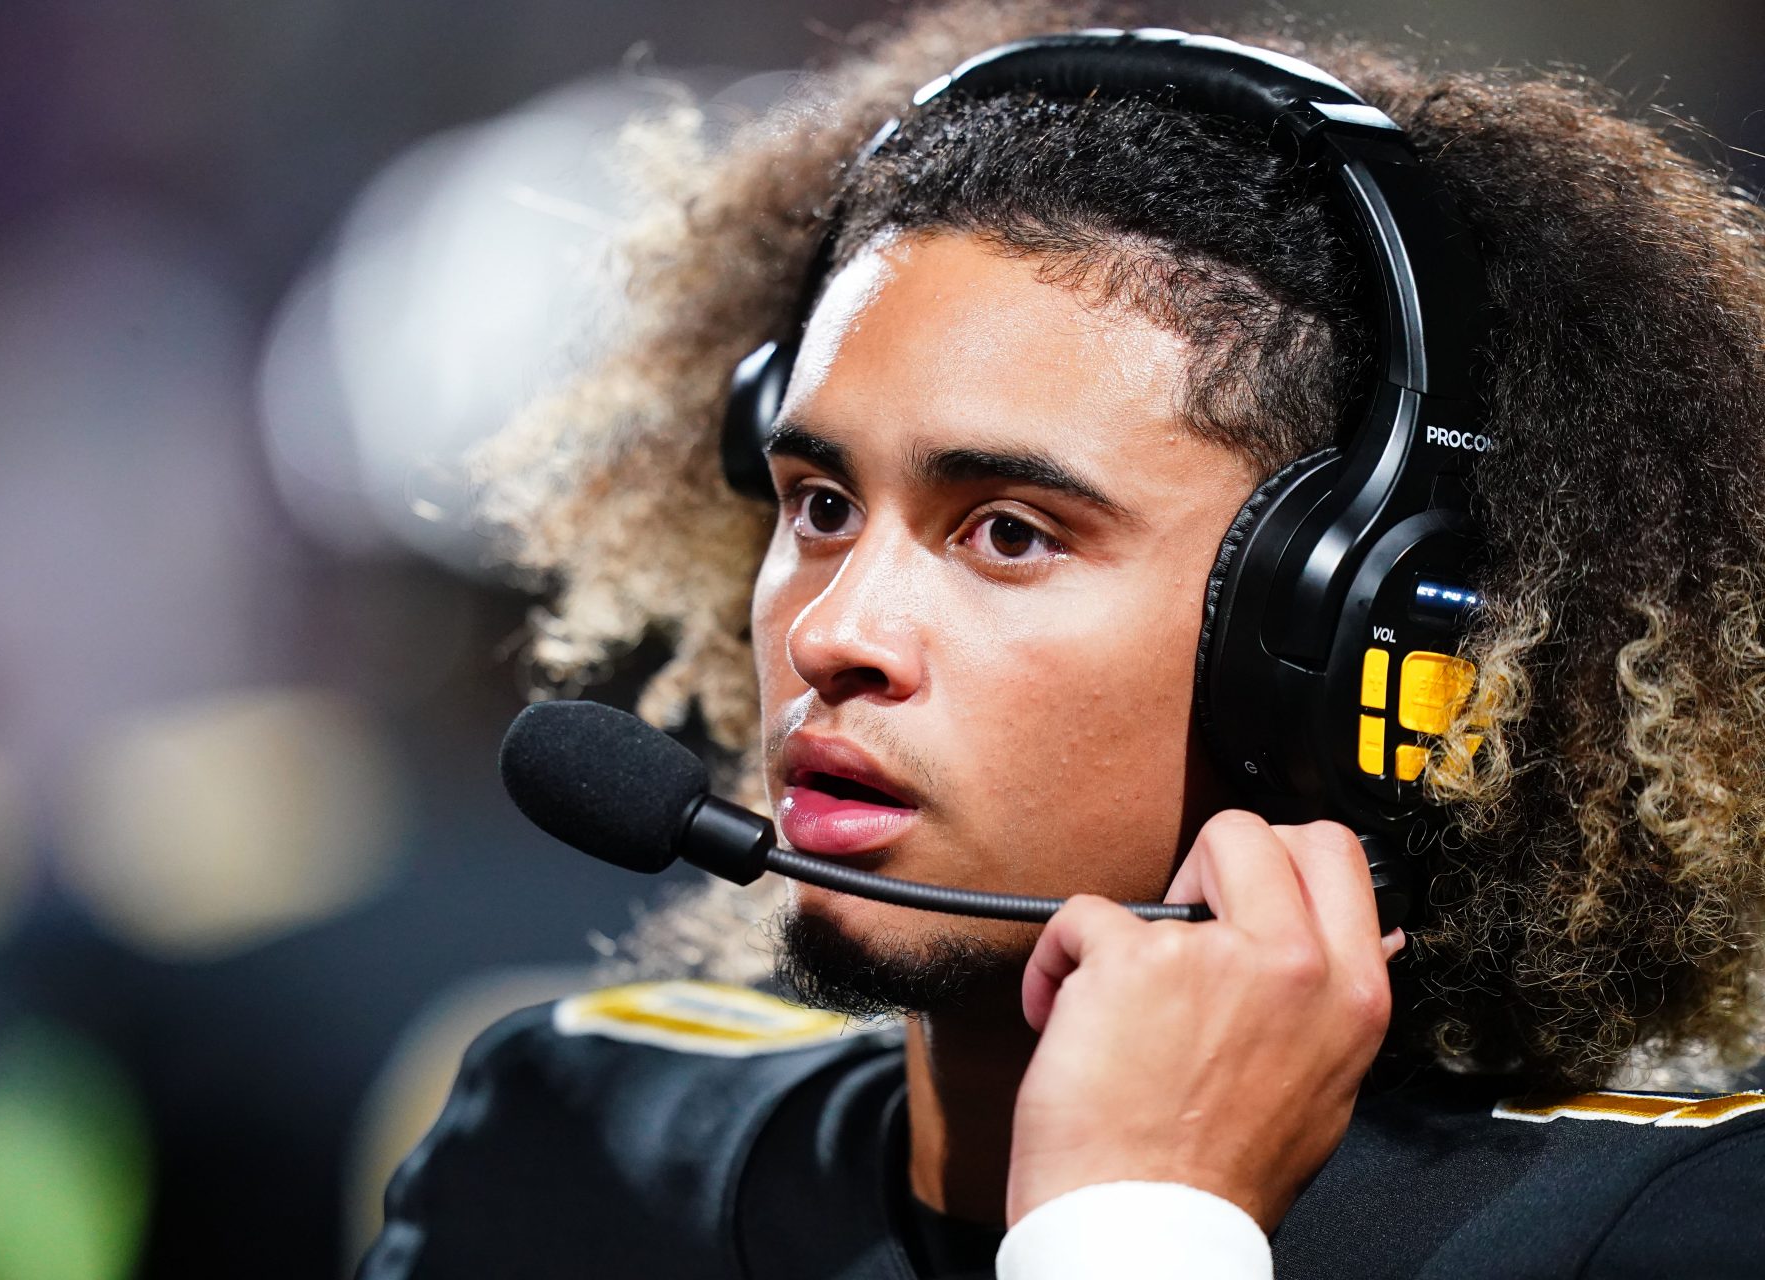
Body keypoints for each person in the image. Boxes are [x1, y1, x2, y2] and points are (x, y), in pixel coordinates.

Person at [360, 3, 1765, 1276]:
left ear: (1343, 628)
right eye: (824, 505)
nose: (838, 633)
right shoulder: (566, 1148)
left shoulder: (1673, 1229)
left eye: (1011, 533)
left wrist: (1137, 1230)